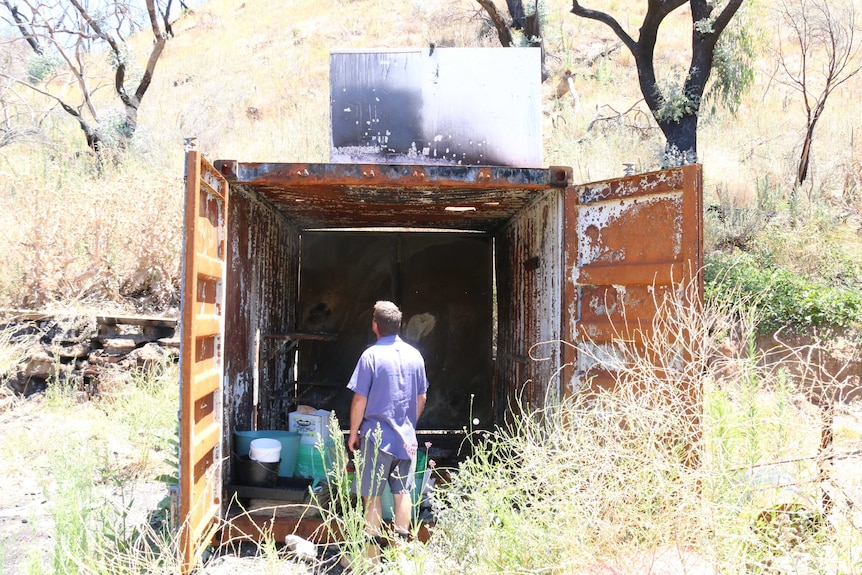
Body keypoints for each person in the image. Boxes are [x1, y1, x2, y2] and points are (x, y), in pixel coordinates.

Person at [347, 300, 429, 552]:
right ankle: (400, 552)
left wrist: (353, 433)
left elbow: (360, 398)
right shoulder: (415, 355)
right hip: (405, 439)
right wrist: (407, 425)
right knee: (403, 492)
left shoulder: (370, 356)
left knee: (371, 495)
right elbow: (422, 397)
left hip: (376, 437)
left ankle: (371, 557)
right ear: (400, 325)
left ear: (375, 326)